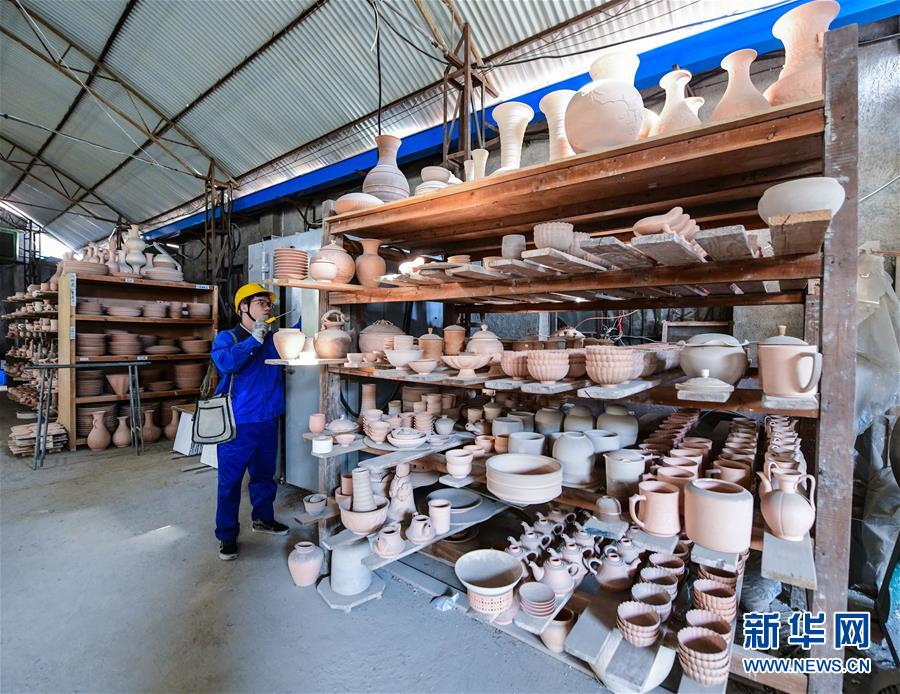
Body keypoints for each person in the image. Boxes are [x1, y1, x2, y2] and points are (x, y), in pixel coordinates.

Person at [210, 283, 289, 560]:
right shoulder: (227, 338)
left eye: (269, 304)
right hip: (238, 423)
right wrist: (252, 341)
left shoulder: (273, 339)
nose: (267, 308)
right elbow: (226, 364)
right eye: (260, 303)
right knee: (230, 482)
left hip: (268, 419)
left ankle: (263, 518)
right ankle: (227, 535)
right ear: (243, 307)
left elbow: (297, 337)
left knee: (265, 476)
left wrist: (316, 315)